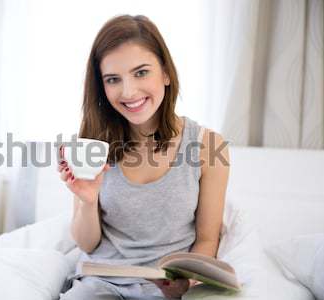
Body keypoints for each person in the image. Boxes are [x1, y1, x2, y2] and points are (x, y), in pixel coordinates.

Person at [57, 14, 229, 300]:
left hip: (166, 288)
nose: (128, 92)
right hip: (101, 282)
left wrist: (184, 283)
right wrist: (88, 201)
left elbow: (207, 239)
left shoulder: (208, 145)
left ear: (166, 73)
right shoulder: (93, 143)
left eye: (140, 73)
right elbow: (87, 242)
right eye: (113, 79)